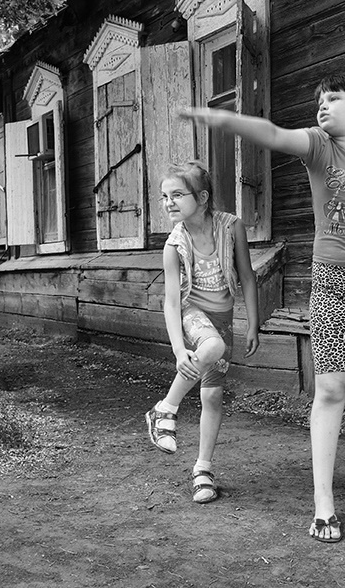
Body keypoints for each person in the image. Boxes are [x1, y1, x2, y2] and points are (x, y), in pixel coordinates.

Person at [180, 74, 345, 543]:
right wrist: (221, 119)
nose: (322, 106)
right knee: (330, 389)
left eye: (333, 98)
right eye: (319, 101)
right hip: (330, 282)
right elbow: (272, 134)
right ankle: (324, 504)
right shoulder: (318, 147)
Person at [144, 161, 260, 504]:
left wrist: (253, 322)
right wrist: (179, 350)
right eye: (165, 196)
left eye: (177, 195)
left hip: (223, 319)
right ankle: (165, 409)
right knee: (210, 347)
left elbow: (247, 275)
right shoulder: (174, 245)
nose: (168, 202)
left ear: (203, 197)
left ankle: (203, 470)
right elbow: (171, 302)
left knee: (212, 397)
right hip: (192, 314)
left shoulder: (231, 227)